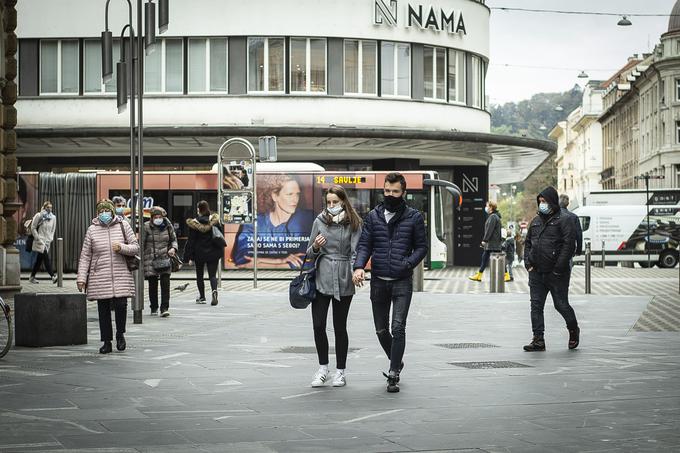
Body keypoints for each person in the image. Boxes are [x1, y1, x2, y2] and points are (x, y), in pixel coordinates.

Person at [353, 172, 428, 393]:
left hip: (401, 282)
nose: (390, 195)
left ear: (403, 193)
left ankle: (394, 371)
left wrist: (407, 263)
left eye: (395, 191)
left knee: (398, 328)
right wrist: (358, 266)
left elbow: (422, 247)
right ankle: (397, 360)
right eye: (387, 191)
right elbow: (365, 244)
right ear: (383, 190)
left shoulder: (413, 217)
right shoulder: (373, 216)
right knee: (380, 330)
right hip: (378, 281)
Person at [306, 185, 362, 388]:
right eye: (328, 202)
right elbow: (309, 253)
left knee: (340, 327)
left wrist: (357, 269)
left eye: (335, 202)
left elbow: (357, 251)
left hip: (344, 277)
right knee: (318, 325)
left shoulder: (354, 222)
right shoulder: (319, 221)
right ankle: (323, 368)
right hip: (322, 276)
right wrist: (316, 247)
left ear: (343, 202)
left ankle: (340, 371)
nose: (331, 206)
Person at [77, 199, 138, 354]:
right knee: (103, 310)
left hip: (120, 275)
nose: (104, 214)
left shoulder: (123, 225)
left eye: (107, 211)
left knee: (121, 306)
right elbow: (85, 256)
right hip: (100, 276)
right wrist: (81, 278)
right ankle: (106, 341)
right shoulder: (92, 230)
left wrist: (122, 248)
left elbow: (135, 247)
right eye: (101, 211)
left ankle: (120, 334)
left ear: (112, 211)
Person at [523, 186, 580, 352]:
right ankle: (538, 339)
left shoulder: (564, 220)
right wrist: (529, 264)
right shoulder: (535, 221)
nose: (542, 204)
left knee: (561, 305)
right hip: (536, 272)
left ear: (552, 201)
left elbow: (569, 245)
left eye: (544, 201)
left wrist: (558, 269)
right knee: (536, 306)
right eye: (540, 201)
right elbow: (527, 244)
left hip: (557, 273)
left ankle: (573, 329)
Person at [231, 174, 315, 269]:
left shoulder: (306, 219)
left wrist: (260, 263)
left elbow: (306, 260)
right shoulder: (255, 222)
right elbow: (241, 258)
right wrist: (279, 261)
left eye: (297, 194)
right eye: (289, 194)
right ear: (275, 196)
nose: (295, 199)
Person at [184, 200, 225, 305]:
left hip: (199, 253)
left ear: (199, 210)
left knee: (199, 276)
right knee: (212, 275)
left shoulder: (194, 223)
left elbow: (191, 241)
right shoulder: (214, 221)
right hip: (213, 252)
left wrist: (189, 257)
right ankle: (214, 291)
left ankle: (202, 297)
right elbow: (220, 234)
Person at [144, 207, 178, 317]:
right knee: (152, 284)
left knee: (165, 283)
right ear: (152, 218)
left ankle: (164, 308)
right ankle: (154, 307)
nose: (158, 219)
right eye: (155, 217)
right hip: (151, 259)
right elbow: (141, 244)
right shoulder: (146, 227)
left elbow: (173, 239)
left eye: (160, 217)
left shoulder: (167, 226)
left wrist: (173, 248)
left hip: (165, 257)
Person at [469, 201, 502, 282]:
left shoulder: (493, 217)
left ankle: (505, 275)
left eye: (487, 206)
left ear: (491, 207)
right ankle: (479, 275)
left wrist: (484, 240)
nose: (486, 207)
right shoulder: (493, 216)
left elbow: (489, 230)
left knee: (498, 259)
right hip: (492, 243)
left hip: (492, 243)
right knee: (486, 257)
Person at [28, 201, 57, 284]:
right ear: (44, 207)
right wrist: (37, 238)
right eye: (48, 207)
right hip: (39, 240)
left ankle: (32, 277)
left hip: (47, 241)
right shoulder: (39, 215)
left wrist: (50, 238)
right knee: (46, 257)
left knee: (39, 260)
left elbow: (53, 229)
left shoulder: (53, 217)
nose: (49, 209)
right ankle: (53, 276)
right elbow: (33, 227)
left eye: (51, 207)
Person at [559, 194, 583, 259]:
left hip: (554, 249)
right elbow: (579, 235)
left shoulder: (552, 216)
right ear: (568, 204)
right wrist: (578, 250)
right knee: (567, 267)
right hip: (569, 249)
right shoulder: (574, 217)